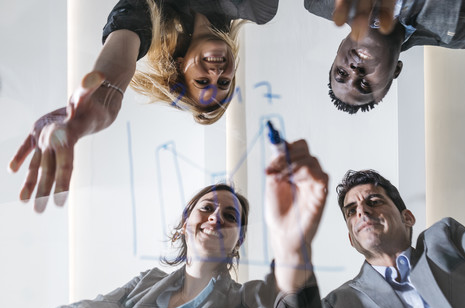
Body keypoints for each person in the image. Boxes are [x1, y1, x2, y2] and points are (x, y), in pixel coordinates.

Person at [8, 0, 279, 212]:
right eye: (223, 83)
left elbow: (126, 40)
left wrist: (106, 94)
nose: (216, 74)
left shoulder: (154, 12)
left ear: (180, 66)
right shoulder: (257, 7)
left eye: (202, 81)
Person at [29, 139, 328, 308]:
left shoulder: (249, 299)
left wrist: (291, 249)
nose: (215, 218)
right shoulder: (145, 284)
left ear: (239, 241)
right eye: (207, 208)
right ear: (185, 223)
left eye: (230, 216)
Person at [323, 169, 465, 308]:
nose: (362, 211)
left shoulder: (444, 239)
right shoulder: (337, 304)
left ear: (407, 218)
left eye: (374, 202)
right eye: (351, 211)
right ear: (352, 240)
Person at [305, 0, 465, 114]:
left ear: (340, 46)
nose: (354, 71)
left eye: (342, 73)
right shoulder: (456, 32)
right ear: (396, 70)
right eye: (365, 84)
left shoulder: (320, 2)